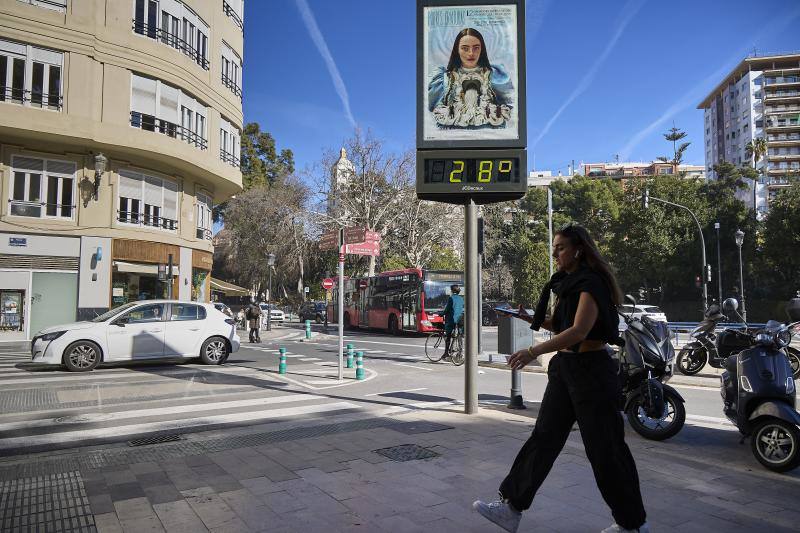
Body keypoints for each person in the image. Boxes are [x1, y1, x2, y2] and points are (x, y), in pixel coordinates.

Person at [473, 224, 648, 533]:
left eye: (561, 248)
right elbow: (563, 326)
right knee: (544, 439)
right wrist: (532, 319)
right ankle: (511, 509)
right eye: (554, 248)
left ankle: (631, 525)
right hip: (565, 369)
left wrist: (532, 350)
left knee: (605, 450)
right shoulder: (567, 284)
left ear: (578, 250)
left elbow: (580, 331)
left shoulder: (591, 284)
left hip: (591, 371)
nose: (555, 253)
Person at [428, 27, 514, 129]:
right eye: (465, 48)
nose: (471, 53)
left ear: (482, 49)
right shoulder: (444, 78)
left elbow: (510, 103)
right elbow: (431, 106)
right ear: (457, 50)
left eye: (476, 48)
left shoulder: (495, 75)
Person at [442, 285, 464, 358]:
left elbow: (447, 309)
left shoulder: (451, 298)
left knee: (448, 336)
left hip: (452, 319)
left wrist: (441, 314)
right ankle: (460, 352)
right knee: (459, 335)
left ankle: (446, 353)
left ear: (452, 291)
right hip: (460, 319)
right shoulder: (461, 298)